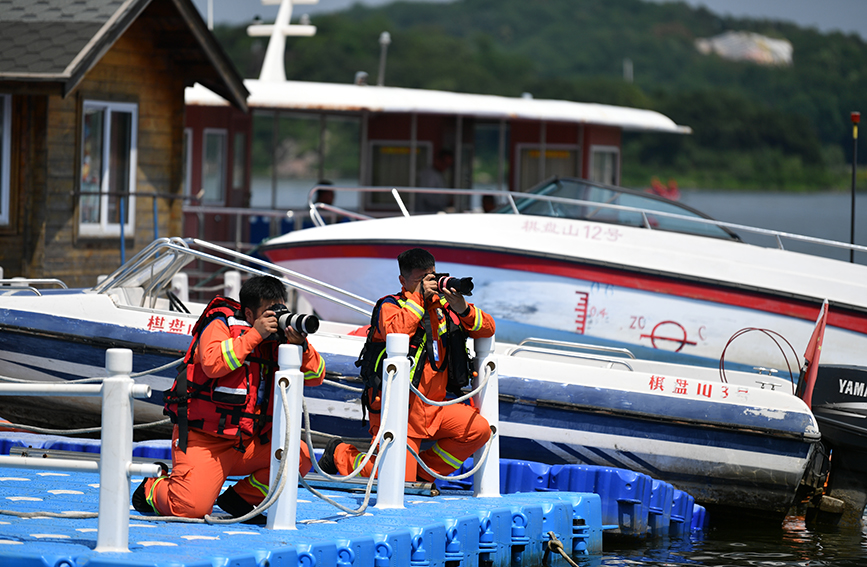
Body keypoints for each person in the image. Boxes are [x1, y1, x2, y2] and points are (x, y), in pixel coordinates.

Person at [132, 275, 325, 522]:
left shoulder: (280, 340)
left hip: (248, 442)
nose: (275, 317)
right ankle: (153, 488)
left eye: (280, 309)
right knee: (191, 510)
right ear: (249, 313)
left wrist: (301, 345)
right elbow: (212, 364)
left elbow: (317, 375)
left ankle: (241, 501)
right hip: (205, 442)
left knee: (300, 455)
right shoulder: (221, 324)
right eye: (269, 312)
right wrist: (255, 335)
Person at [318, 248, 495, 482]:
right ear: (403, 280)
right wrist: (419, 298)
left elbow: (488, 328)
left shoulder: (445, 307)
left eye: (431, 277)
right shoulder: (390, 306)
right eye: (421, 280)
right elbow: (396, 332)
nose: (429, 285)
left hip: (434, 408)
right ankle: (341, 454)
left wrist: (462, 307)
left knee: (478, 430)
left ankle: (422, 475)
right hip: (399, 412)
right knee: (394, 480)